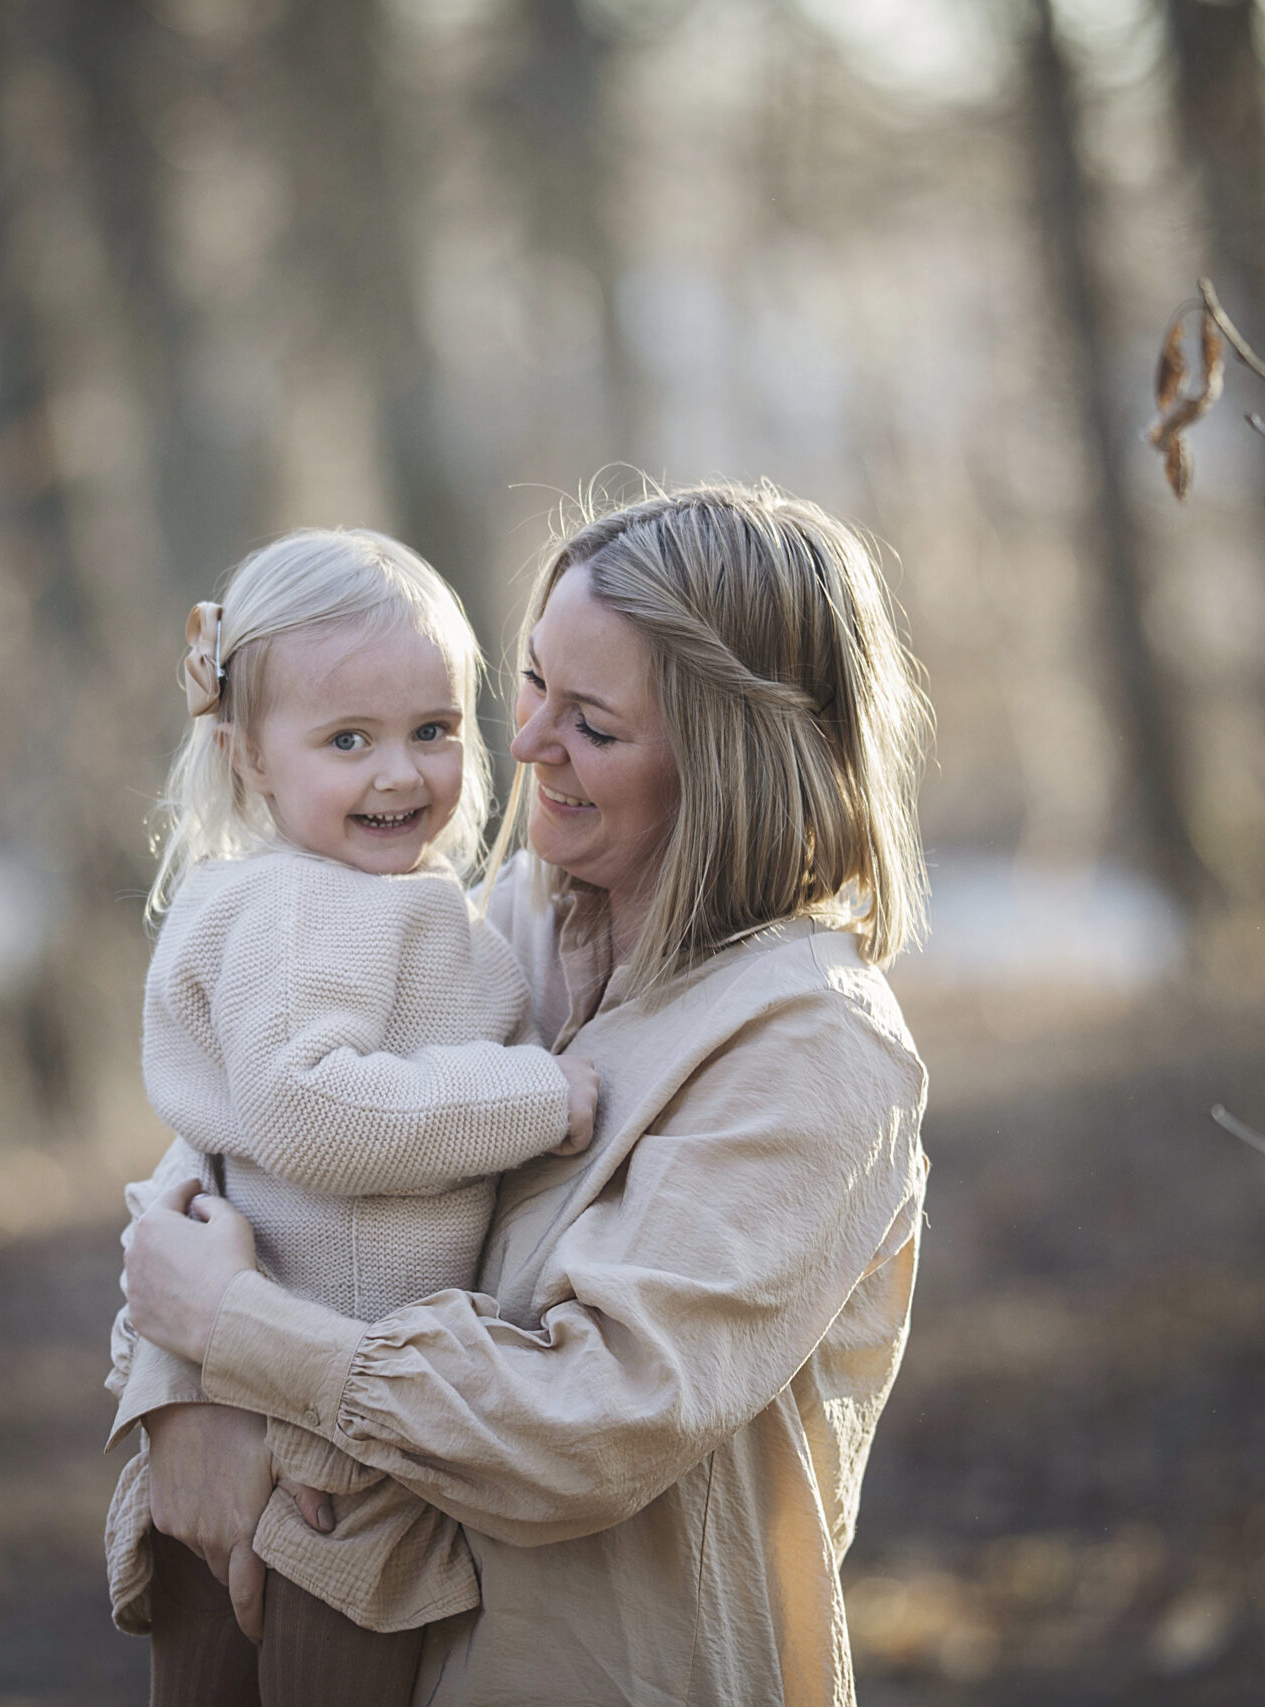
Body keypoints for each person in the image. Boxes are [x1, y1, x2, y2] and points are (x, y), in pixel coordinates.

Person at [117, 481, 932, 1706]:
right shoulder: (517, 922)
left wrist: (243, 1340)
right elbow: (250, 1142)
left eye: (593, 723)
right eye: (534, 683)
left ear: (726, 764)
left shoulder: (812, 1051)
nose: (527, 744)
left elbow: (584, 1422)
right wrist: (181, 1403)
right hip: (379, 1634)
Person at [109, 527, 602, 1707]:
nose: (399, 775)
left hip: (308, 1411)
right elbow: (309, 1113)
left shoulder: (351, 897)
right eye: (347, 741)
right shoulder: (308, 908)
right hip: (314, 1449)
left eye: (431, 730)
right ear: (246, 758)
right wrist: (536, 1098)